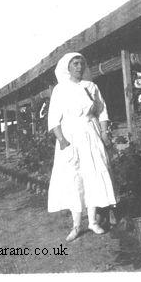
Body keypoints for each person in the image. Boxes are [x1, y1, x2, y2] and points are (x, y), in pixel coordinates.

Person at [47, 52, 117, 242]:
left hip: (91, 133)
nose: (79, 67)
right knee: (74, 178)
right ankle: (76, 225)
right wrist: (62, 140)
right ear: (67, 67)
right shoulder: (60, 90)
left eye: (81, 63)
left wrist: (103, 133)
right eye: (75, 63)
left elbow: (102, 111)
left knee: (92, 174)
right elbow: (54, 118)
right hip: (70, 136)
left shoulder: (91, 86)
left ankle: (92, 222)